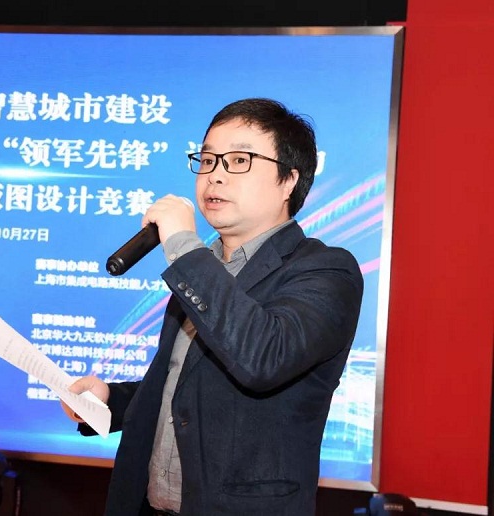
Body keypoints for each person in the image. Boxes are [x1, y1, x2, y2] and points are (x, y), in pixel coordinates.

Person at [60, 97, 364, 515]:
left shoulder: (326, 270)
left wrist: (183, 247)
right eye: (207, 160)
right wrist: (109, 400)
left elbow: (262, 359)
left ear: (288, 181)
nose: (215, 176)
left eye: (239, 161)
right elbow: (185, 386)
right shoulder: (204, 268)